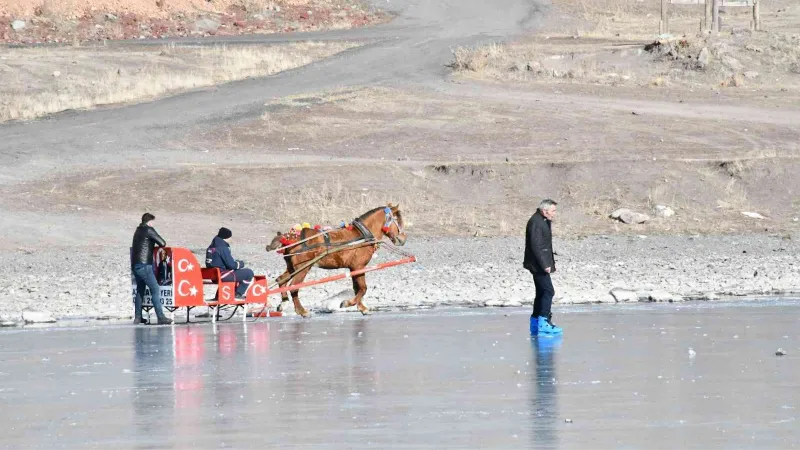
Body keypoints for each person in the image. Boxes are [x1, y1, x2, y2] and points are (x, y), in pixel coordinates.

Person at [524, 199, 563, 336]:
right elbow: (536, 246)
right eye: (553, 211)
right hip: (538, 264)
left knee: (541, 292)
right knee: (548, 291)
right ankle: (543, 322)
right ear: (544, 211)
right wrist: (545, 264)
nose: (554, 213)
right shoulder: (536, 222)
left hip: (538, 263)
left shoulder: (542, 220)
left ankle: (535, 321)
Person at [131, 213, 173, 325]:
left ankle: (138, 317)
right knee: (155, 289)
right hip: (145, 265)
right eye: (153, 222)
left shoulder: (138, 230)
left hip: (136, 265)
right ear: (149, 222)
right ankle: (161, 317)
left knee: (140, 290)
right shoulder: (149, 230)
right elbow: (162, 243)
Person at [205, 227, 254, 299]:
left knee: (236, 272)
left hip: (213, 276)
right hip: (222, 275)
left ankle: (222, 295)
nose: (231, 239)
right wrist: (241, 263)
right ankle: (238, 293)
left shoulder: (211, 246)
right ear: (225, 238)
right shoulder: (222, 248)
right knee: (249, 273)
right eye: (230, 237)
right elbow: (231, 265)